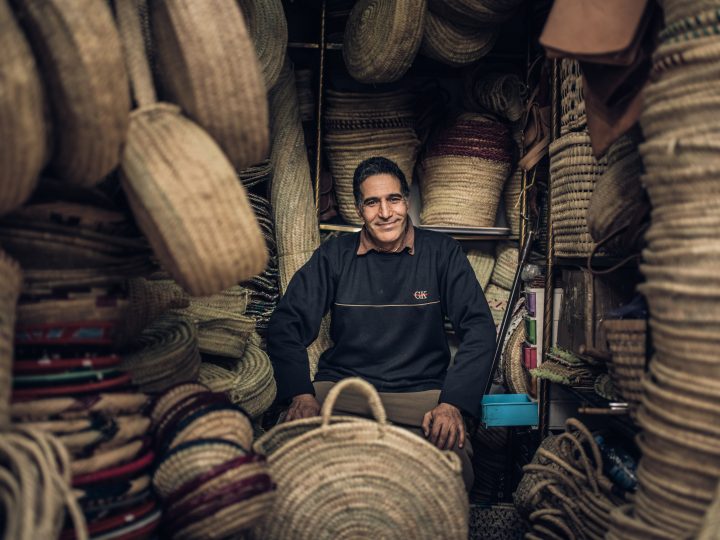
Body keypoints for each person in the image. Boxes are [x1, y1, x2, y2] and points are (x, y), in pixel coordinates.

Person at [267, 156, 496, 490]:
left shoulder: (441, 253)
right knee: (286, 460)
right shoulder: (335, 256)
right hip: (342, 391)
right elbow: (286, 323)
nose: (386, 213)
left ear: (407, 201)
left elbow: (479, 328)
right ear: (360, 210)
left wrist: (452, 403)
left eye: (393, 199)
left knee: (452, 471)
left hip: (422, 396)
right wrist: (301, 394)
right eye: (373, 202)